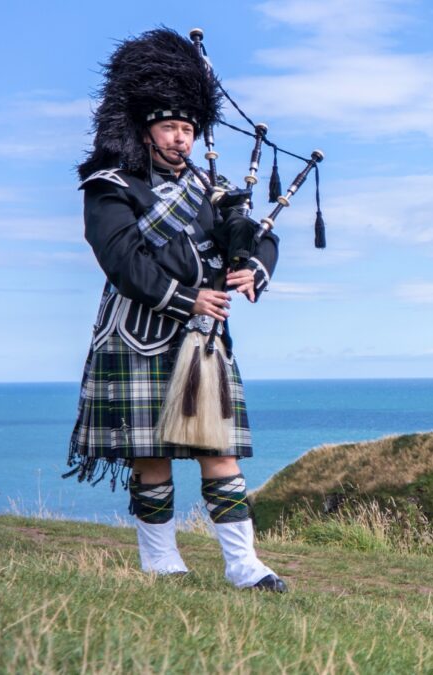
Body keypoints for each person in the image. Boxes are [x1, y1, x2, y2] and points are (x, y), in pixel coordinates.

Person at [66, 28, 285, 592]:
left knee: (220, 453)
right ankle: (162, 563)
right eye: (171, 127)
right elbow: (121, 259)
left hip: (203, 339)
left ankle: (244, 566)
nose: (183, 139)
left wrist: (253, 265)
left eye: (189, 129)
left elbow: (253, 232)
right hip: (137, 334)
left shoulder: (211, 188)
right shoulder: (110, 186)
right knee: (151, 458)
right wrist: (191, 295)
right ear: (145, 129)